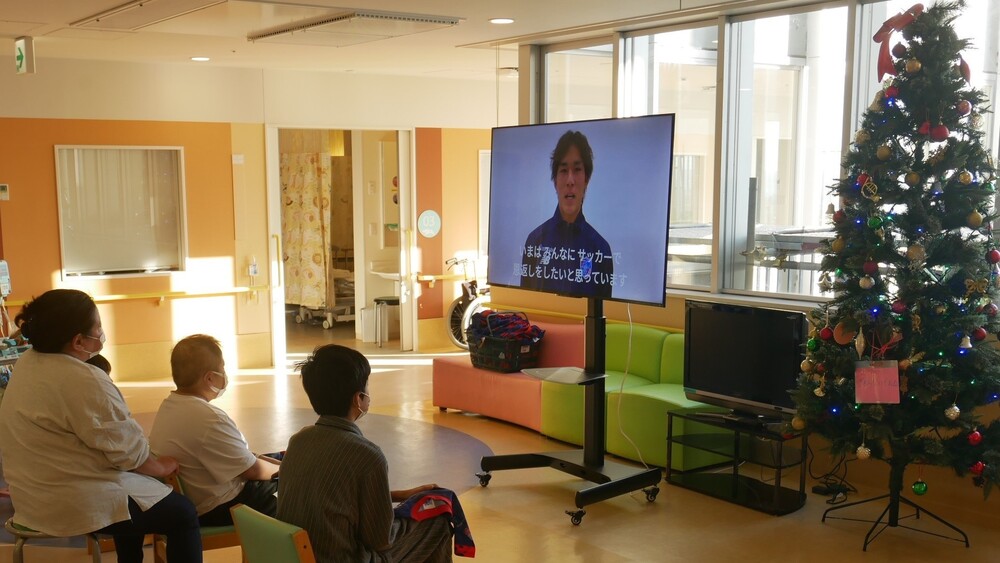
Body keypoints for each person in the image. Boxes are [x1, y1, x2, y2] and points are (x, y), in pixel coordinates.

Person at [0, 289, 202, 563]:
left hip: (31, 500)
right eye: (98, 328)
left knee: (135, 492)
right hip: (71, 503)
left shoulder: (27, 363)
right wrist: (162, 466)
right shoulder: (84, 379)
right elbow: (130, 453)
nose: (101, 334)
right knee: (183, 513)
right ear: (78, 341)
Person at [278, 344, 454, 562]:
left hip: (299, 555)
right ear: (358, 398)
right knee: (438, 521)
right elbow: (381, 540)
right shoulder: (368, 456)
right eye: (367, 386)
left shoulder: (298, 441)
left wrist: (399, 496)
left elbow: (334, 500)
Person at [149, 334, 280, 526]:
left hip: (195, 498)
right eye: (222, 368)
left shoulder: (170, 406)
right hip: (220, 505)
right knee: (301, 480)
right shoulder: (209, 418)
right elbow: (252, 470)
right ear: (210, 377)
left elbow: (244, 458)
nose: (225, 374)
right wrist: (288, 470)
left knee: (281, 458)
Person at [521, 130, 614, 298]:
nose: (570, 180)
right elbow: (525, 305)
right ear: (555, 181)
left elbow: (603, 310)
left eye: (577, 170)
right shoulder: (535, 241)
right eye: (563, 170)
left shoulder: (601, 249)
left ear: (586, 180)